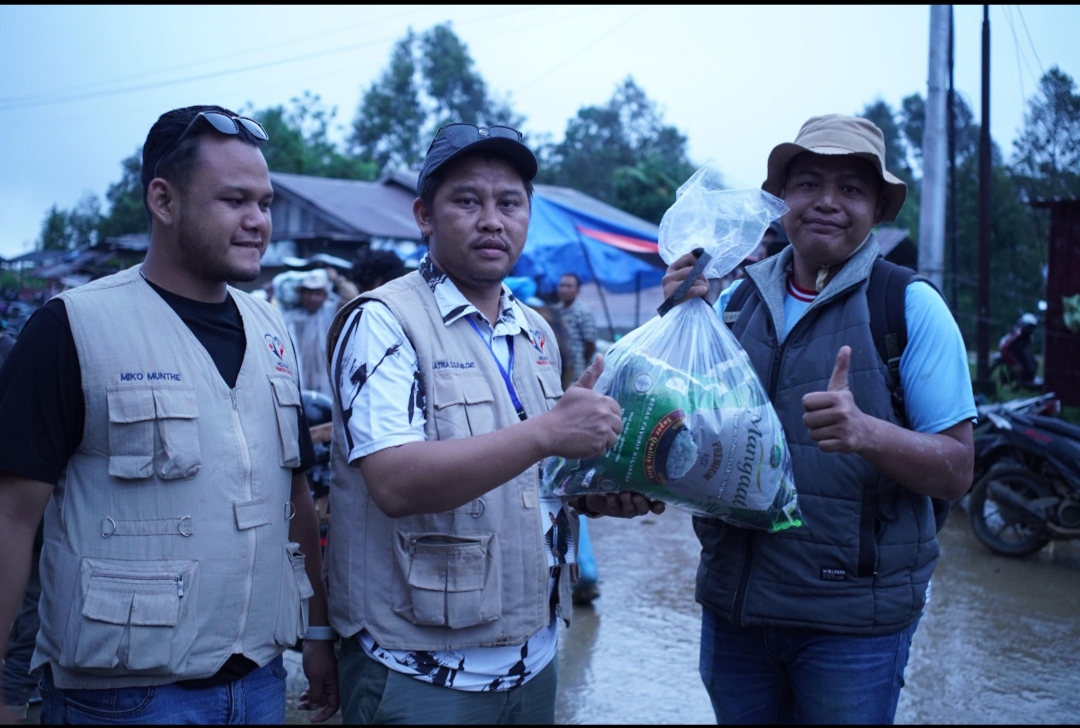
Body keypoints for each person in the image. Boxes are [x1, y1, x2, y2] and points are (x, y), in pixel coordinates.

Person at [0, 105, 338, 725]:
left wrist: (317, 634)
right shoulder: (72, 328)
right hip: (120, 698)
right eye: (234, 200)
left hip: (259, 684)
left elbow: (292, 489)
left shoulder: (270, 330)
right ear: (163, 199)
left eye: (263, 204)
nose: (257, 222)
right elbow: (12, 515)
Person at [324, 122, 662, 724]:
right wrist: (547, 433)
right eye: (466, 201)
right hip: (420, 668)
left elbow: (538, 475)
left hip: (533, 657)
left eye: (509, 203)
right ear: (425, 215)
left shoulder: (533, 330)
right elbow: (395, 482)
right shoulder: (383, 321)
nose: (491, 219)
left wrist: (595, 492)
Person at [663, 114, 976, 724]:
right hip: (735, 611)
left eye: (851, 188)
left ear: (877, 209)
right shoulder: (732, 303)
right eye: (808, 184)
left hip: (851, 628)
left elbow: (958, 470)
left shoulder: (908, 307)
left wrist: (868, 433)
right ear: (782, 201)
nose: (827, 202)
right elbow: (683, 433)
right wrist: (678, 323)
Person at [286, 268, 339, 401]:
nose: (312, 298)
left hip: (324, 373)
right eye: (308, 293)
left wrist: (336, 279)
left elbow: (350, 296)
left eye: (317, 294)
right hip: (301, 371)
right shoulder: (293, 316)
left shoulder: (330, 312)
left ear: (325, 296)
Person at [554, 273, 597, 383]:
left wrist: (583, 364)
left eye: (569, 286)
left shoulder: (583, 312)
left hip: (575, 372)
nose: (564, 290)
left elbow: (590, 344)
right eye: (562, 286)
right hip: (557, 369)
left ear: (577, 290)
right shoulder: (555, 311)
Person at [998, 312, 1040, 387]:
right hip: (1008, 352)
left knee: (1033, 362)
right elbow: (1005, 347)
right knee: (1023, 365)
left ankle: (1027, 380)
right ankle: (1020, 383)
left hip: (1016, 351)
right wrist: (1015, 364)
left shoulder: (1024, 335)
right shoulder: (1018, 333)